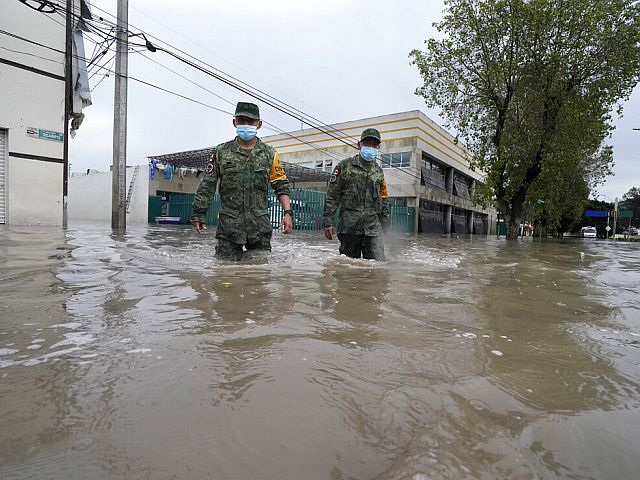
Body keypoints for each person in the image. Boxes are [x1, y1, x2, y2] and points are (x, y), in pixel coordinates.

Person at [190, 102, 293, 260]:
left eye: (250, 122)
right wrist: (199, 214)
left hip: (259, 229)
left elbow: (281, 185)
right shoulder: (221, 152)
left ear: (259, 124)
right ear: (234, 122)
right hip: (229, 228)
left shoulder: (269, 154)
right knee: (225, 277)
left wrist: (287, 213)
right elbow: (207, 185)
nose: (246, 125)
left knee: (259, 277)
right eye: (242, 120)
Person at [322, 128, 390, 261]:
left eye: (374, 145)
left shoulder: (379, 172)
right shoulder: (344, 166)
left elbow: (384, 199)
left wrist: (387, 226)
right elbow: (332, 195)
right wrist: (328, 223)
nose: (370, 147)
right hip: (349, 228)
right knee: (348, 270)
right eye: (367, 143)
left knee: (377, 268)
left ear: (378, 147)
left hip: (373, 229)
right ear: (359, 145)